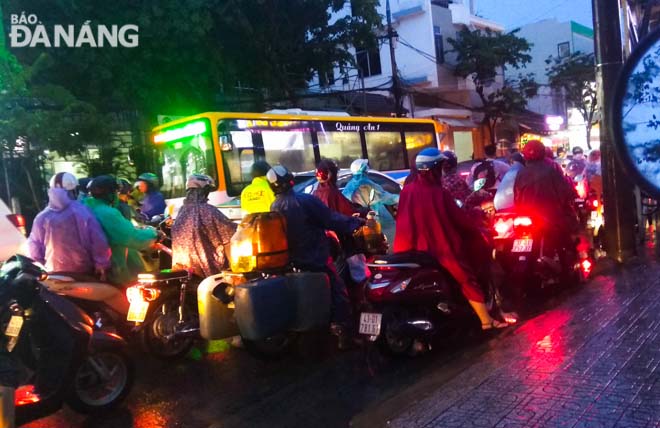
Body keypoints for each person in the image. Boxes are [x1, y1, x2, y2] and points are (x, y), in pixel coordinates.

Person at [394, 148, 510, 330]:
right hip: (439, 248)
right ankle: (486, 321)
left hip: (409, 249)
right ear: (434, 169)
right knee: (466, 278)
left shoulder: (407, 191)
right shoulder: (439, 193)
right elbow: (460, 220)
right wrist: (477, 228)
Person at [267, 165, 363, 349]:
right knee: (338, 288)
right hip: (314, 257)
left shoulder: (275, 205)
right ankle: (343, 331)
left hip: (291, 261)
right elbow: (331, 219)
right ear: (291, 181)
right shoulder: (305, 200)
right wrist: (355, 223)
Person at [27, 172, 111, 279]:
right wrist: (101, 264)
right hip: (83, 272)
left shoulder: (42, 217)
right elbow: (98, 242)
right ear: (73, 190)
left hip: (53, 273)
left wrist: (40, 266)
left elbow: (33, 245)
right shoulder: (83, 212)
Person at [84, 175, 158, 284]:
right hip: (109, 272)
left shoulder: (85, 206)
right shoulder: (107, 213)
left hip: (88, 267)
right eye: (116, 193)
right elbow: (132, 237)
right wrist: (155, 234)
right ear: (110, 194)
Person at [172, 174, 237, 278]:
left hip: (182, 268)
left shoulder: (181, 211)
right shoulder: (207, 210)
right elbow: (231, 232)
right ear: (204, 190)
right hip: (206, 270)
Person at [514, 140, 579, 240]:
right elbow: (565, 192)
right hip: (550, 216)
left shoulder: (521, 173)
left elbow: (516, 196)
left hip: (527, 215)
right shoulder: (551, 170)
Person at [342, 159, 398, 245]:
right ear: (364, 169)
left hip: (359, 222)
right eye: (366, 166)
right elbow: (386, 198)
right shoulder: (367, 185)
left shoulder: (349, 186)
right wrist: (402, 197)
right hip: (376, 220)